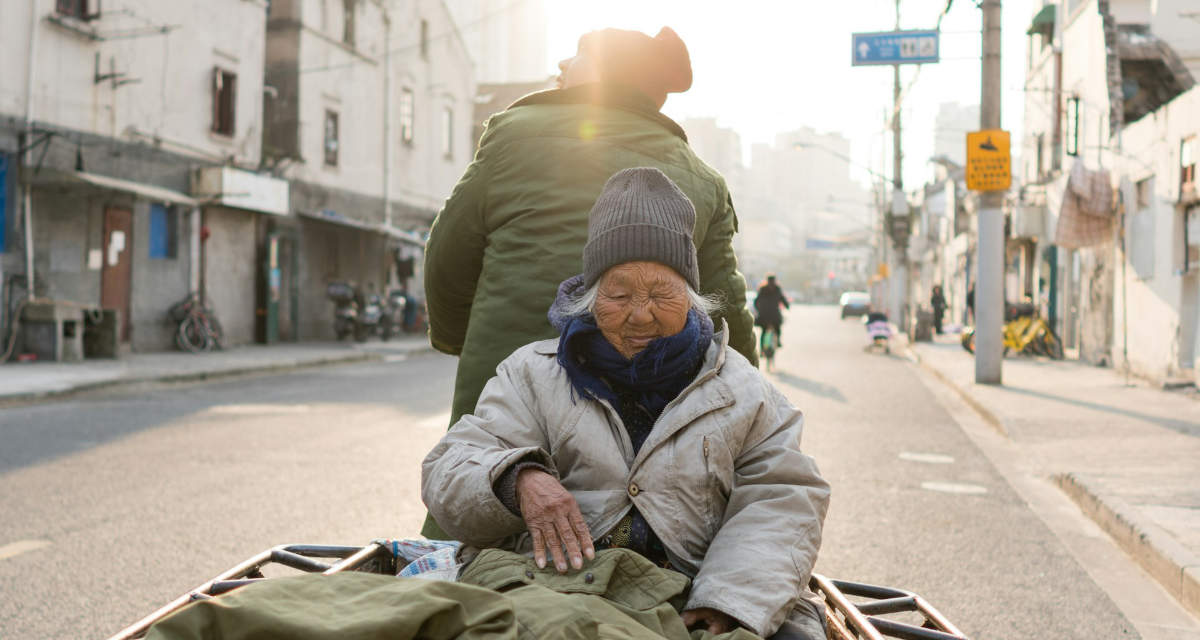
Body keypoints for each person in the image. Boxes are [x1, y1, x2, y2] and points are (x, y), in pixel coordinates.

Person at [422, 168, 830, 640]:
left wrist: (728, 601)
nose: (641, 314)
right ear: (591, 297)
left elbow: (783, 498)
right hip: (556, 592)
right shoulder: (531, 374)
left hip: (694, 595)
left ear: (693, 297)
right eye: (618, 295)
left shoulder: (744, 391)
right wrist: (517, 479)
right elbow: (450, 467)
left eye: (662, 293)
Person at [422, 26, 757, 538]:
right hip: (648, 426)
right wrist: (746, 397)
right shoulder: (702, 177)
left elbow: (446, 260)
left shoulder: (512, 138)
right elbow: (726, 308)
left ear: (603, 76)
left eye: (575, 58)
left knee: (477, 518)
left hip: (503, 404)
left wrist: (456, 339)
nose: (562, 65)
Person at [754, 274, 790, 348]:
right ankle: (778, 341)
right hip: (774, 314)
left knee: (764, 332)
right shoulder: (777, 289)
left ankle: (762, 350)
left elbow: (756, 301)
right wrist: (787, 306)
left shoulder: (763, 289)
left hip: (764, 314)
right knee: (777, 328)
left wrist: (758, 309)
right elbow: (782, 299)